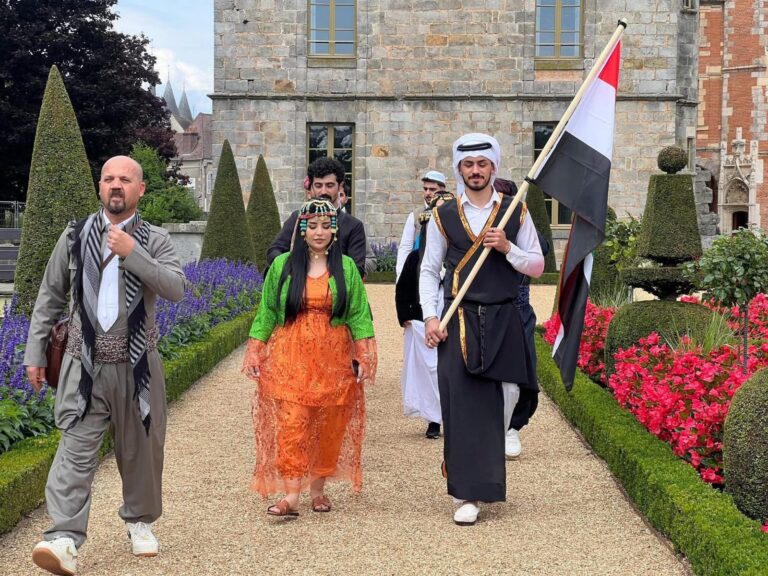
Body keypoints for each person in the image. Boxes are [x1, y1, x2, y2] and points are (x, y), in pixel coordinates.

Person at [23, 156, 186, 575]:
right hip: (83, 366)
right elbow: (50, 296)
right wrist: (35, 353)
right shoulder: (74, 235)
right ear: (100, 187)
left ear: (140, 189)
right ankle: (63, 537)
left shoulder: (155, 239)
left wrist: (134, 254)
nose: (116, 185)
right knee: (74, 451)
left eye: (125, 180)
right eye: (109, 178)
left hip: (138, 366)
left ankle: (140, 521)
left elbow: (176, 289)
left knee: (142, 449)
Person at [420, 134, 544, 526]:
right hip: (458, 318)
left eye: (482, 164)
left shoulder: (514, 211)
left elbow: (538, 265)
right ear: (459, 169)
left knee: (506, 397)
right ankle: (466, 492)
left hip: (503, 317)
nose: (476, 171)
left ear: (494, 167)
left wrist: (508, 248)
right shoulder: (444, 215)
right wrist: (430, 317)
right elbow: (429, 270)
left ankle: (487, 470)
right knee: (462, 404)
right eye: (468, 165)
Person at [243, 198, 377, 517]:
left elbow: (358, 314)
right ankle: (291, 496)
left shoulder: (346, 268)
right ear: (302, 230)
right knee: (292, 424)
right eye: (312, 226)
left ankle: (317, 490)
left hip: (333, 361)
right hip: (290, 360)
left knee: (327, 426)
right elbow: (267, 312)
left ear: (334, 230)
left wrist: (364, 354)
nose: (319, 232)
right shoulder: (283, 265)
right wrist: (255, 349)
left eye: (326, 226)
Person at [494, 177, 550, 459]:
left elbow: (542, 250)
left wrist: (510, 240)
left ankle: (512, 427)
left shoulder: (522, 224)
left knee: (524, 372)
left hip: (518, 310)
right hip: (483, 310)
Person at [395, 180, 453, 439]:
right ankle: (433, 419)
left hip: (453, 320)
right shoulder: (415, 259)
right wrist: (406, 316)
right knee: (429, 372)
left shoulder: (460, 259)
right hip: (423, 322)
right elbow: (404, 288)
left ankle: (455, 416)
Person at [266, 157, 376, 278]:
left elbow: (357, 270)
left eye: (329, 185)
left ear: (340, 186)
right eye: (318, 185)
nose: (323, 191)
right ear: (311, 187)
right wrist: (295, 271)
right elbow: (274, 252)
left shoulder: (353, 225)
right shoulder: (297, 218)